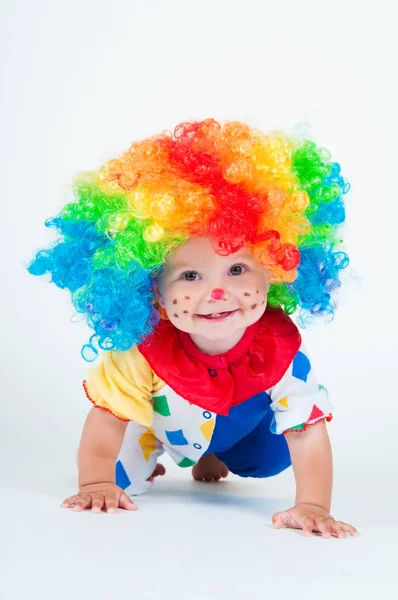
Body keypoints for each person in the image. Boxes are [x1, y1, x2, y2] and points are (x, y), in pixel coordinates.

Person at [27, 118, 358, 538]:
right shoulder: (142, 352)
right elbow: (105, 420)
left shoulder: (279, 351)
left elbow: (308, 430)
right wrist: (96, 483)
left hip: (242, 431)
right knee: (123, 483)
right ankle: (165, 451)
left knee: (270, 457)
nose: (217, 292)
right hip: (163, 426)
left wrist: (313, 505)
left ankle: (215, 454)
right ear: (153, 292)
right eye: (190, 277)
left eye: (237, 269)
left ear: (274, 270)